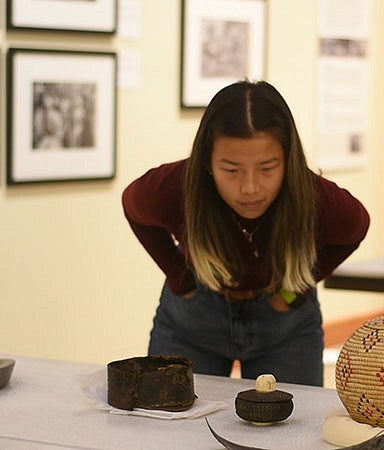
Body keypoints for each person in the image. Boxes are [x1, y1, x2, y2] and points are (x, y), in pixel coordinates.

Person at [122, 80, 370, 387]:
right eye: (231, 169)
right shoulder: (176, 185)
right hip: (193, 318)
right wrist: (179, 278)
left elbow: (355, 229)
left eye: (267, 168)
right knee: (172, 428)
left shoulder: (315, 196)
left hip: (284, 325)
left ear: (288, 161)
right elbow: (134, 208)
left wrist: (294, 291)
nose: (250, 187)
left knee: (289, 429)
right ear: (207, 162)